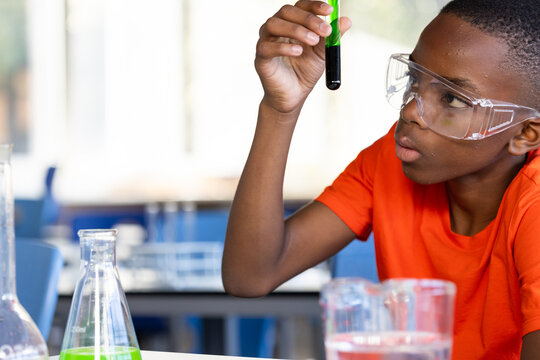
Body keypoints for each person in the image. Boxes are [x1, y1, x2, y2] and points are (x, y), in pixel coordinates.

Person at [221, 0, 540, 358]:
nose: (409, 112)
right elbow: (249, 276)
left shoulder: (533, 207)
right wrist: (280, 109)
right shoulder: (391, 161)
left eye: (451, 98)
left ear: (526, 133)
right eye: (414, 79)